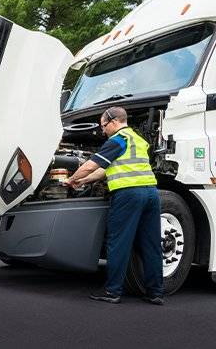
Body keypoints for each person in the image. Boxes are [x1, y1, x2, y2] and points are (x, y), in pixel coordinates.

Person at [65, 106, 164, 305]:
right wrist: (83, 182)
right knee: (152, 244)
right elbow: (105, 170)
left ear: (113, 121)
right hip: (151, 194)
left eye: (104, 126)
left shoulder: (118, 140)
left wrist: (71, 179)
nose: (103, 131)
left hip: (129, 194)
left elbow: (91, 165)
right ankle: (155, 293)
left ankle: (112, 291)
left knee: (119, 242)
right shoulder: (139, 140)